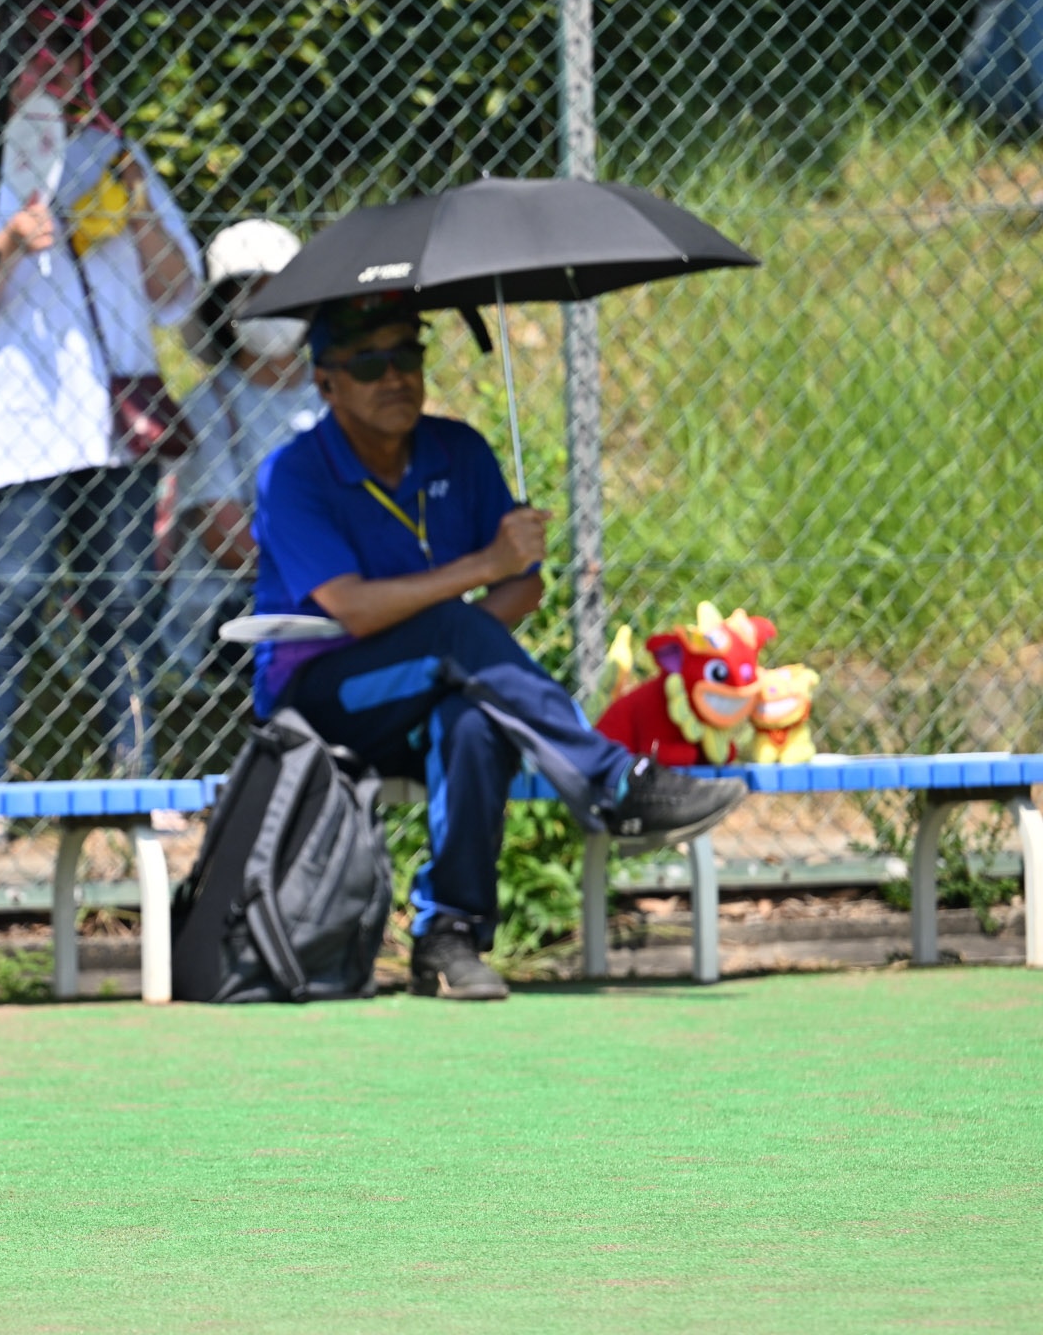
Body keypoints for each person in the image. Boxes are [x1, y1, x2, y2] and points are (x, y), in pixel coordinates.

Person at [250, 293, 746, 1001]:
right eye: (368, 363)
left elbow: (524, 588)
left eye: (407, 354)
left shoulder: (459, 451)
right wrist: (479, 576)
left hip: (435, 679)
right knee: (451, 633)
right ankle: (614, 783)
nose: (394, 376)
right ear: (325, 382)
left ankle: (449, 935)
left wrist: (474, 622)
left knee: (473, 722)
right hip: (323, 699)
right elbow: (353, 609)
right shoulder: (294, 473)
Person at [0, 31, 201, 838]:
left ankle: (138, 778)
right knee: (9, 593)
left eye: (66, 54)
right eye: (33, 56)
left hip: (114, 424)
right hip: (18, 424)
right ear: (0, 72)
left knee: (128, 596)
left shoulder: (119, 158)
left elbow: (180, 292)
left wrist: (138, 213)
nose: (53, 71)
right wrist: (6, 245)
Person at [159, 220, 321, 682]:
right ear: (223, 309)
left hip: (333, 585)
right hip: (230, 608)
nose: (270, 302)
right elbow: (229, 541)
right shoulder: (207, 405)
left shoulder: (335, 393)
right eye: (251, 290)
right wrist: (337, 576)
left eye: (281, 288)